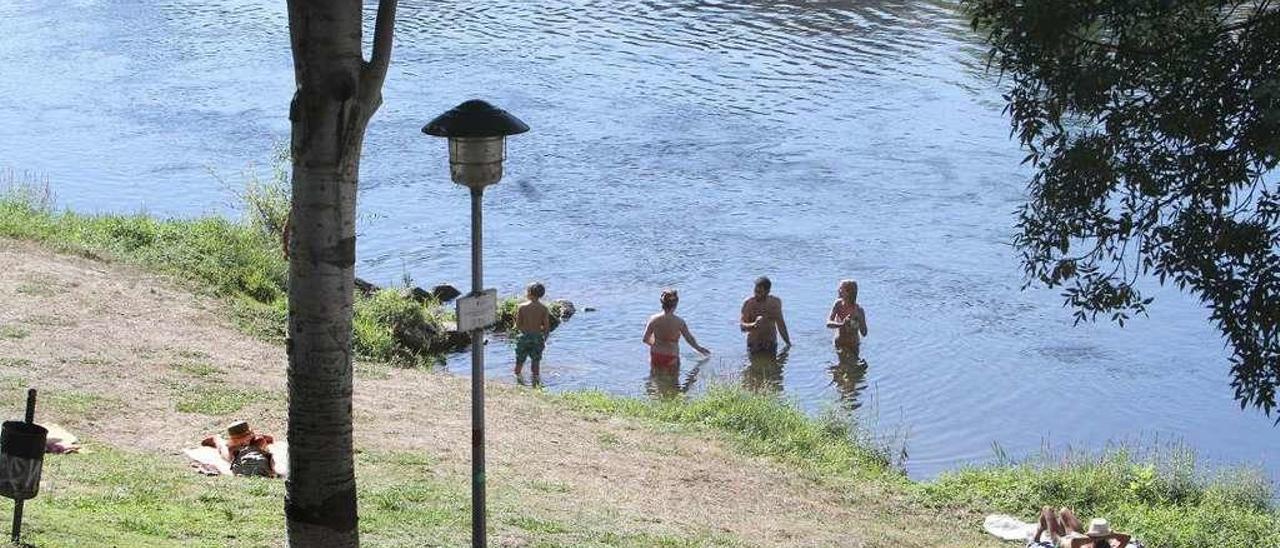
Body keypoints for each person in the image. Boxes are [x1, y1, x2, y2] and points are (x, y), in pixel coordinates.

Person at [643, 289, 710, 368]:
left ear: (662, 303)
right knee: (673, 380)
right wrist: (700, 349)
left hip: (656, 354)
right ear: (676, 304)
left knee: (654, 378)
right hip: (671, 356)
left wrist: (657, 344)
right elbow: (689, 339)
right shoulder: (679, 322)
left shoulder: (653, 319)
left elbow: (645, 339)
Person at [1030, 507, 1142, 548]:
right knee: (1064, 511)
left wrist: (1096, 537)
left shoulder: (1080, 543)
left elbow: (1073, 541)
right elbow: (1127, 537)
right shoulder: (1111, 546)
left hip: (1061, 543)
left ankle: (1039, 532)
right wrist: (1109, 534)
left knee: (1048, 510)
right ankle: (1059, 526)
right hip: (1077, 536)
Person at [201, 420, 277, 478]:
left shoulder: (258, 441)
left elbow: (269, 456)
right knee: (223, 449)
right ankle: (216, 439)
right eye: (240, 441)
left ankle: (217, 440)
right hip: (233, 451)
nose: (244, 443)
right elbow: (231, 461)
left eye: (246, 439)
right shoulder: (232, 448)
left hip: (255, 449)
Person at [740, 276, 791, 353]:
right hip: (754, 345)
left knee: (774, 364)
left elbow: (781, 325)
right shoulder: (749, 303)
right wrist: (754, 324)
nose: (756, 294)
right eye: (755, 291)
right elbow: (742, 327)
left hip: (771, 344)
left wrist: (788, 344)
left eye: (760, 292)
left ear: (767, 291)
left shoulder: (775, 303)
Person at [514, 282, 552, 377]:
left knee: (520, 360)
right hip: (537, 337)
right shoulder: (544, 308)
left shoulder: (522, 307)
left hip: (524, 337)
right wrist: (545, 337)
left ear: (529, 293)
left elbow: (518, 325)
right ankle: (536, 380)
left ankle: (518, 378)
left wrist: (523, 331)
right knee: (536, 361)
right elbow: (546, 327)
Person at [825, 279, 868, 358]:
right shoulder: (838, 304)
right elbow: (828, 323)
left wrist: (860, 321)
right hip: (839, 343)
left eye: (841, 289)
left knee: (854, 368)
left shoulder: (859, 310)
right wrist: (842, 324)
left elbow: (864, 333)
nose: (838, 290)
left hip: (853, 345)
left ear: (848, 293)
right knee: (841, 367)